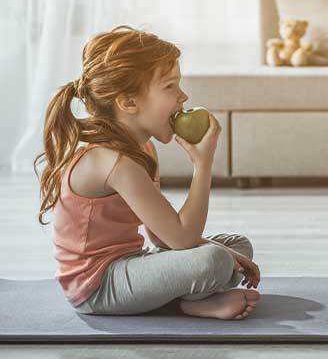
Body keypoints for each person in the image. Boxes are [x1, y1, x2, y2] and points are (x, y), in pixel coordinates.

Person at [35, 25, 261, 319]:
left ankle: (185, 296)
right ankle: (186, 304)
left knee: (235, 246)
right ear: (128, 102)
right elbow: (180, 239)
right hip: (98, 288)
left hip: (132, 264)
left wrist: (230, 255)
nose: (183, 96)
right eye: (170, 86)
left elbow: (161, 236)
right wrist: (202, 165)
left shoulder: (142, 149)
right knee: (215, 260)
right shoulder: (114, 161)